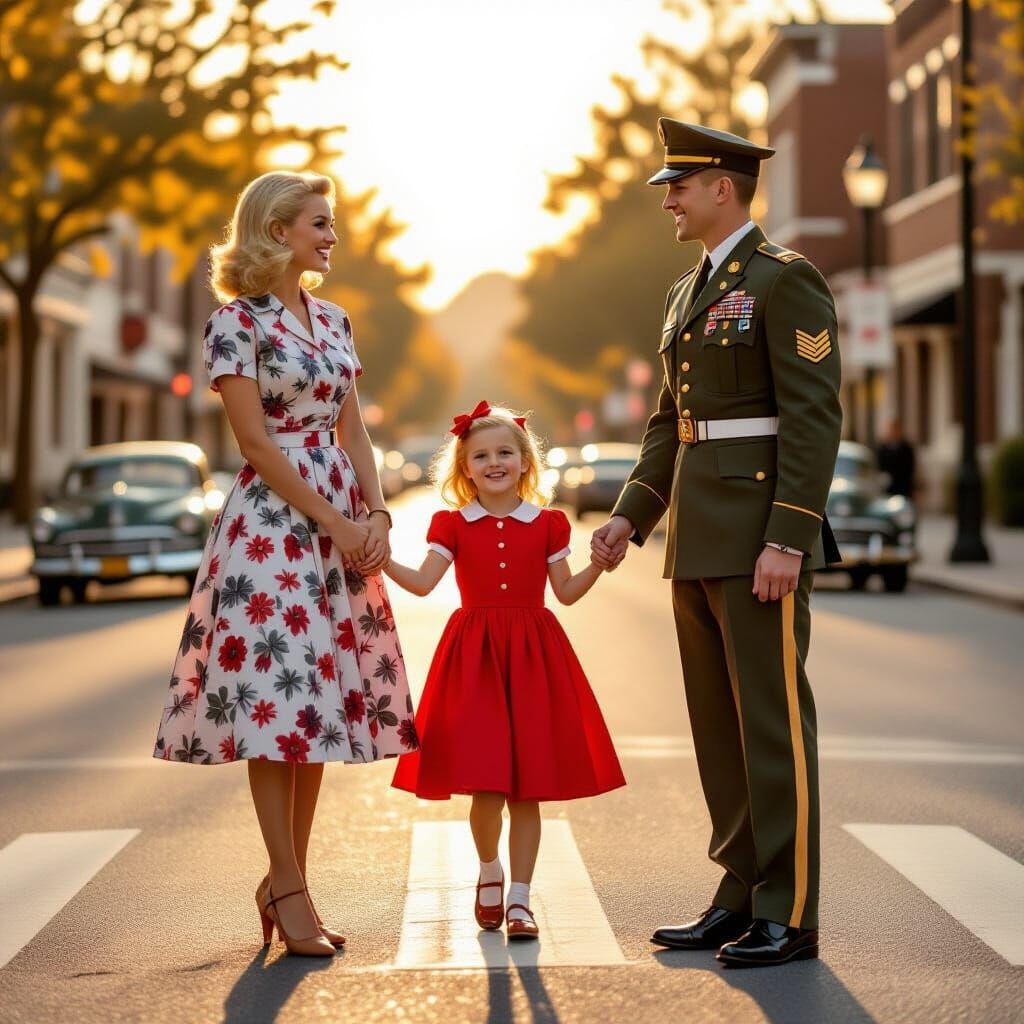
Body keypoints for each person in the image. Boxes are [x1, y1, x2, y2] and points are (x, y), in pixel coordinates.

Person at [592, 120, 843, 968]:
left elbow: (812, 416)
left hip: (758, 536)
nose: (668, 198)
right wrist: (632, 513)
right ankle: (737, 892)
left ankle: (790, 906)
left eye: (679, 185)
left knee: (769, 724)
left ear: (722, 188)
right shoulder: (683, 292)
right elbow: (673, 421)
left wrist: (790, 537)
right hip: (697, 535)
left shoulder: (784, 281)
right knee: (717, 726)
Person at [153, 171, 418, 957]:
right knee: (277, 709)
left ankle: (286, 880)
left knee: (318, 712)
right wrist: (335, 519)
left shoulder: (335, 319)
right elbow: (256, 446)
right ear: (275, 231)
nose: (331, 235)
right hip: (272, 531)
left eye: (329, 223)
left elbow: (356, 433)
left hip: (339, 522)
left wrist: (376, 513)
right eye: (319, 223)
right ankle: (290, 885)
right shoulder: (235, 324)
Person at [385, 401, 625, 940]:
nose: (494, 462)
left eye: (505, 453)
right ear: (465, 468)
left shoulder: (548, 523)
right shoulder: (451, 524)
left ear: (524, 462)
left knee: (527, 788)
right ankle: (489, 871)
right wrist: (378, 560)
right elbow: (424, 584)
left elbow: (564, 594)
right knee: (487, 786)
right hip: (474, 662)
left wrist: (598, 567)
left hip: (534, 657)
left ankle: (520, 899)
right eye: (481, 455)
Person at [876, 419, 916, 497]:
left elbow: (910, 468)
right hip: (888, 488)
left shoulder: (907, 448)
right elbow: (879, 465)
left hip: (903, 487)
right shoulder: (883, 448)